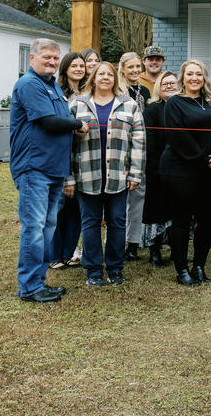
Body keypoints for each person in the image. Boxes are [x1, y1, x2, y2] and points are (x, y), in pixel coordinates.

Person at [10, 39, 88, 303]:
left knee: (46, 227)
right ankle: (29, 287)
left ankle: (38, 281)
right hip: (34, 168)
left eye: (56, 58)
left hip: (54, 168)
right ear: (32, 58)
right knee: (34, 228)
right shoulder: (29, 84)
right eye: (47, 57)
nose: (53, 62)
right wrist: (78, 123)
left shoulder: (52, 84)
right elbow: (51, 123)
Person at [66, 62, 146, 286]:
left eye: (109, 75)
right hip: (86, 176)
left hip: (118, 177)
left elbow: (138, 143)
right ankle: (93, 271)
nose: (105, 78)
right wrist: (68, 177)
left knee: (117, 223)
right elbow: (66, 145)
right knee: (90, 223)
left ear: (115, 79)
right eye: (100, 74)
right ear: (93, 77)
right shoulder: (77, 105)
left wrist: (135, 174)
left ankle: (115, 269)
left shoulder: (128, 105)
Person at [160, 59, 211, 286]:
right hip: (181, 170)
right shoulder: (175, 103)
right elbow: (178, 136)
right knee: (182, 220)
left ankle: (199, 266)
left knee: (208, 220)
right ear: (182, 78)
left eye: (198, 74)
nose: (194, 78)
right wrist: (203, 158)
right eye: (189, 74)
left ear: (204, 78)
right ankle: (182, 270)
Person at [49, 52, 87, 271]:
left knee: (77, 209)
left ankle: (68, 253)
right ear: (65, 68)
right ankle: (54, 256)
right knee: (60, 207)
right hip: (63, 152)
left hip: (84, 155)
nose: (79, 69)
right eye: (74, 65)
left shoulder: (88, 93)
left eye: (81, 66)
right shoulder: (58, 93)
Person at [142, 71, 177, 267]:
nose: (170, 87)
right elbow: (149, 139)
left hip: (180, 169)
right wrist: (154, 165)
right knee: (156, 210)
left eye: (173, 83)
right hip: (157, 169)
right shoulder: (153, 109)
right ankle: (154, 252)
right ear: (158, 87)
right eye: (165, 84)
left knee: (177, 210)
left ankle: (176, 250)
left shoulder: (183, 106)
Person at [118, 51, 150, 260]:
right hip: (120, 148)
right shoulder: (117, 90)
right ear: (122, 69)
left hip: (140, 147)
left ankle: (133, 243)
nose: (136, 70)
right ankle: (116, 242)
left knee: (138, 195)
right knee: (119, 198)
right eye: (131, 67)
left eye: (138, 66)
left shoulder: (144, 91)